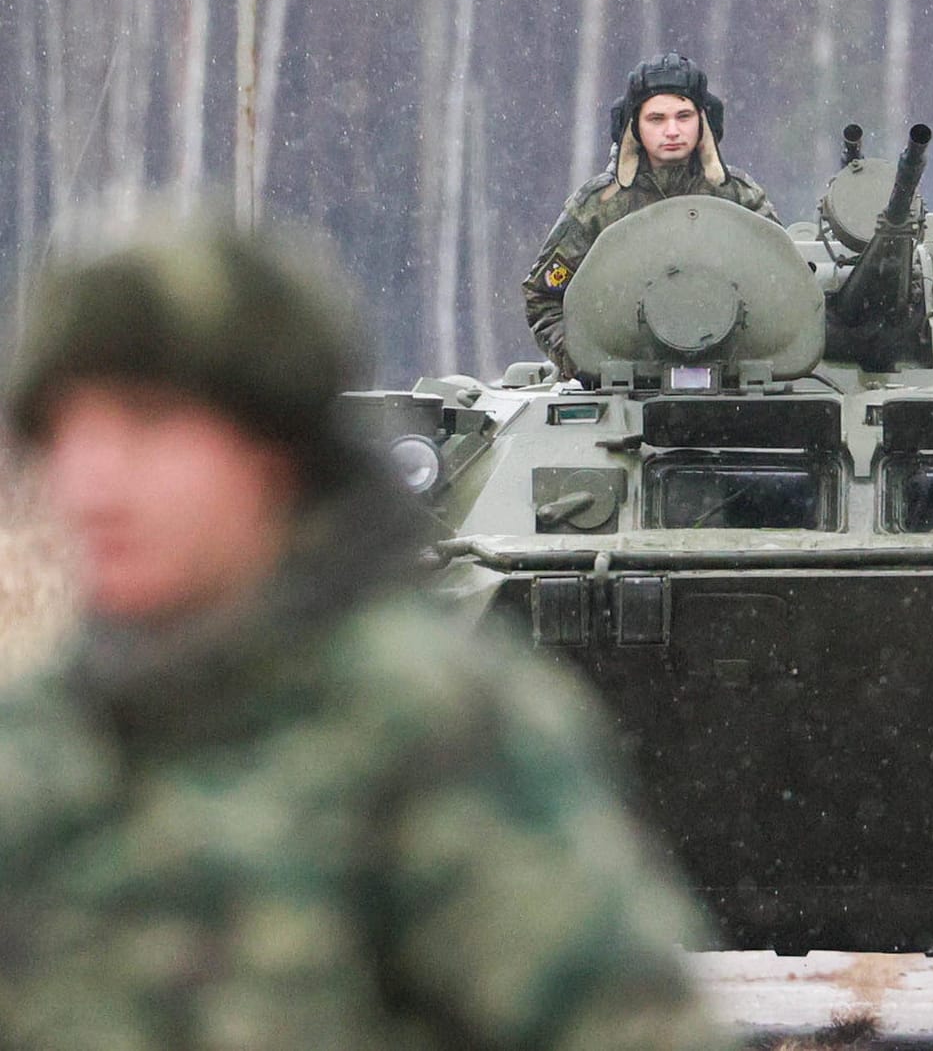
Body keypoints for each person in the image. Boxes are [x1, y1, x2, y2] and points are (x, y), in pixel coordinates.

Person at [0, 213, 733, 1051]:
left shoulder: (431, 731)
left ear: (272, 449)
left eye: (148, 423)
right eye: (61, 432)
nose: (91, 483)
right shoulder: (30, 748)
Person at [524, 52, 778, 378]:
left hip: (730, 381)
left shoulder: (738, 197)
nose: (672, 131)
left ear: (704, 120)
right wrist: (585, 362)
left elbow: (780, 288)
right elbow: (543, 297)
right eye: (656, 119)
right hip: (622, 383)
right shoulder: (599, 206)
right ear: (633, 126)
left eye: (684, 116)